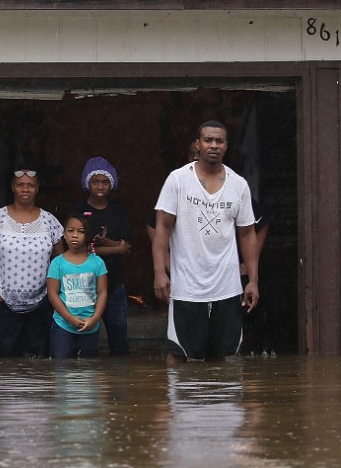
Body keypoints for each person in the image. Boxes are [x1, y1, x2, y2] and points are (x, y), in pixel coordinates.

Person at [151, 120, 260, 362]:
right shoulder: (178, 180)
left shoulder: (239, 185)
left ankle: (216, 391)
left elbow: (247, 234)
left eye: (219, 141)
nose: (213, 145)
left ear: (226, 146)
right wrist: (159, 272)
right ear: (197, 144)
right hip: (187, 287)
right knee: (178, 356)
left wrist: (253, 280)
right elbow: (162, 228)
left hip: (227, 287)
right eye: (208, 140)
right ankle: (179, 391)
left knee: (222, 358)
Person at [0, 166, 64, 357]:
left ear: (37, 188)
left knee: (37, 361)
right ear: (12, 187)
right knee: (4, 361)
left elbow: (61, 259)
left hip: (40, 304)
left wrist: (52, 291)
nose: (25, 189)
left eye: (30, 185)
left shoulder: (50, 221)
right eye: (20, 185)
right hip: (3, 303)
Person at [70, 156, 132, 355]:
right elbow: (80, 249)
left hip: (114, 282)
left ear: (111, 184)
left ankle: (119, 375)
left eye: (105, 182)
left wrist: (104, 244)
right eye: (95, 181)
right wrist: (116, 247)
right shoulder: (78, 210)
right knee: (84, 340)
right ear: (87, 183)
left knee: (119, 339)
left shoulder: (118, 209)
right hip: (84, 284)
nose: (100, 186)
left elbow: (127, 246)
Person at [46, 213, 108, 359]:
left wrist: (95, 318)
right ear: (64, 234)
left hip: (90, 325)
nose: (75, 235)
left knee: (88, 368)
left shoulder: (98, 263)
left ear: (88, 236)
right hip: (63, 324)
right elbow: (52, 293)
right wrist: (69, 318)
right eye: (70, 230)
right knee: (61, 365)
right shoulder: (57, 263)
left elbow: (103, 292)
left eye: (81, 231)